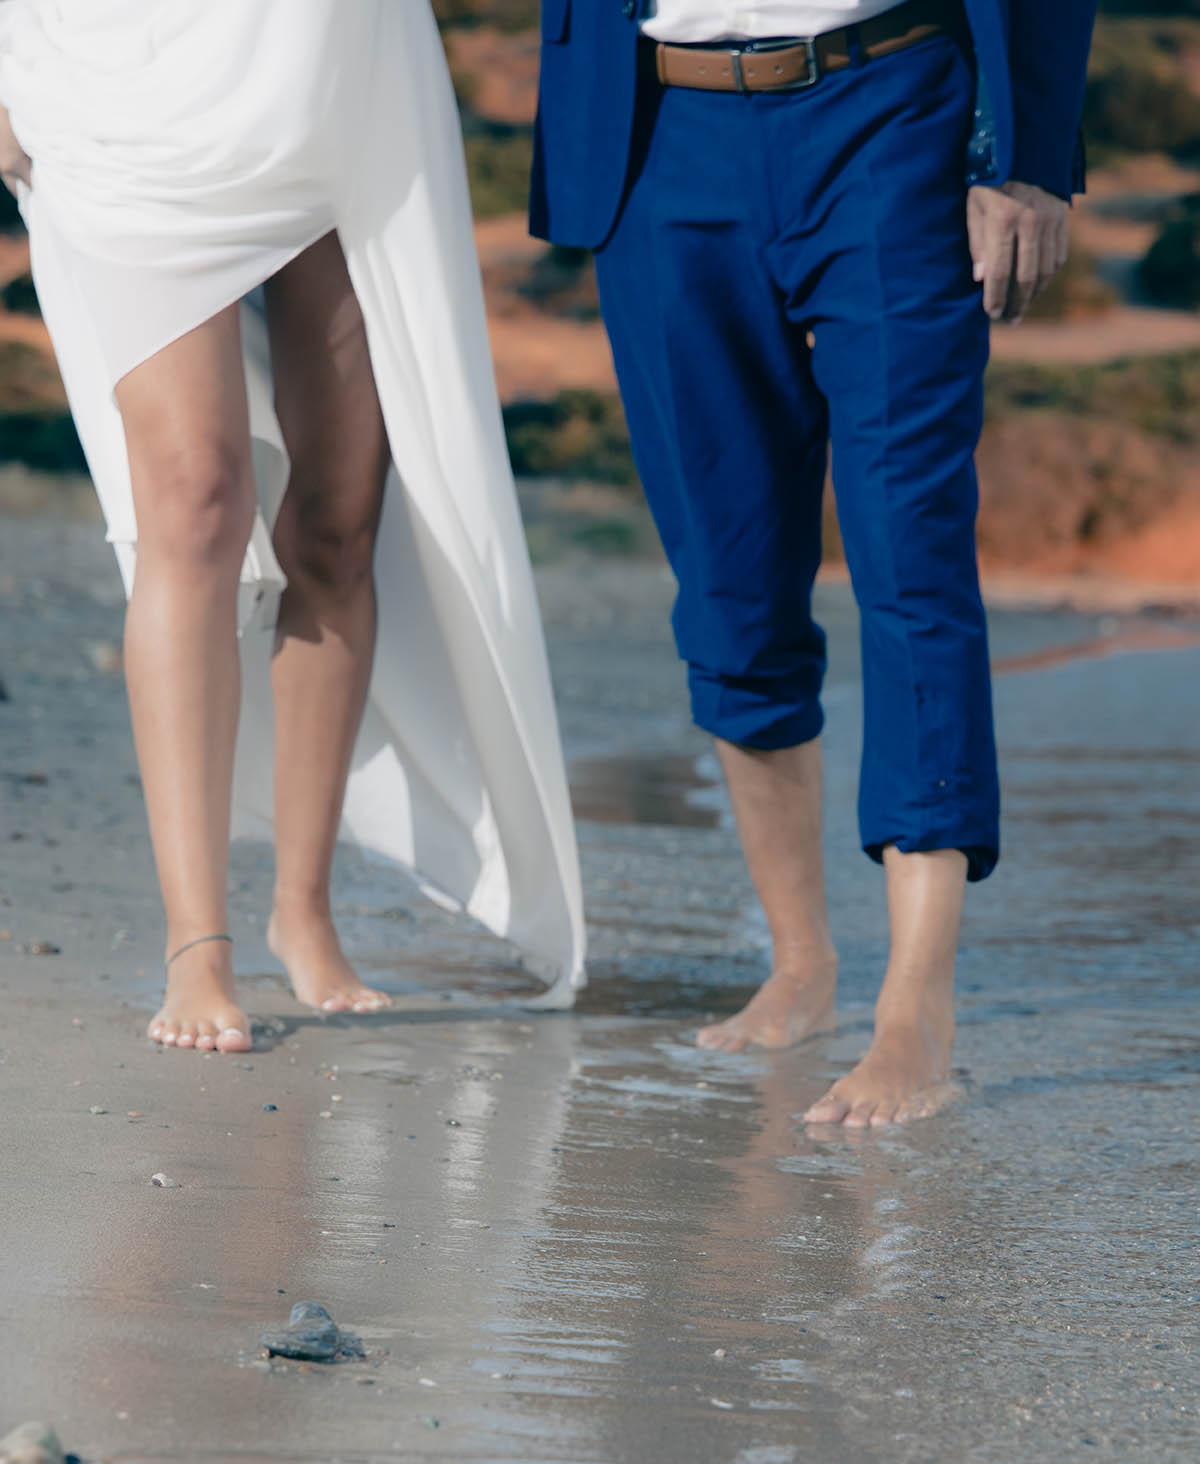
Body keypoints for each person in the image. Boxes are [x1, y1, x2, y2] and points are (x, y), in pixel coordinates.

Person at [531, 0, 1095, 1126]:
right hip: (659, 134)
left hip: (893, 109)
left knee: (911, 548)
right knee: (727, 576)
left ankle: (915, 1013)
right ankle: (800, 963)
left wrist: (1029, 155)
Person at [0, 0, 585, 1054]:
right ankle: (198, 942)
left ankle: (303, 906)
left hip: (330, 64)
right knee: (195, 495)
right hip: (115, 78)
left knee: (337, 515)